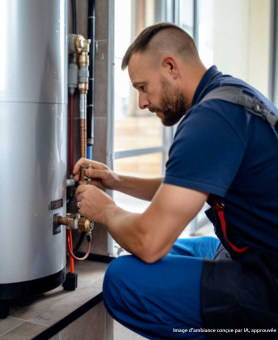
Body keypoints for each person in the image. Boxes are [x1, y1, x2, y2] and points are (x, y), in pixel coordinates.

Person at [73, 22, 278, 339]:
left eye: (143, 87)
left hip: (268, 285)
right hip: (255, 253)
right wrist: (113, 179)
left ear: (170, 66)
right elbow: (185, 185)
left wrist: (105, 211)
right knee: (201, 247)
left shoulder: (210, 119)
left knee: (123, 278)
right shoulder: (230, 96)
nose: (142, 102)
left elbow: (150, 243)